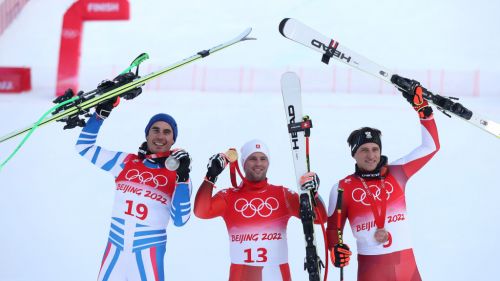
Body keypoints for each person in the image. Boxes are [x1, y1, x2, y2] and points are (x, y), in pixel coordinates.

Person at [74, 76, 192, 281]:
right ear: (147, 134)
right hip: (115, 250)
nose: (160, 136)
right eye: (155, 130)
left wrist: (183, 177)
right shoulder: (125, 162)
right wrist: (99, 116)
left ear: (173, 140)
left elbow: (180, 220)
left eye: (167, 132)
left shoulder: (178, 173)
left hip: (148, 253)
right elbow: (84, 147)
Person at [326, 84, 440, 281]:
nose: (371, 155)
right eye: (364, 150)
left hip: (408, 269)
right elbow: (333, 228)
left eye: (375, 149)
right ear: (354, 154)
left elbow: (431, 147)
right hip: (372, 270)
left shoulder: (397, 172)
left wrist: (424, 112)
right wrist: (335, 249)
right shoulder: (342, 188)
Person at [194, 139, 327, 281]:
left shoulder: (282, 194)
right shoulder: (229, 196)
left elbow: (320, 218)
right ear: (243, 162)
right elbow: (201, 211)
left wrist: (314, 194)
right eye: (253, 159)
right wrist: (211, 176)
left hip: (277, 274)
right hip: (241, 275)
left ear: (268, 163)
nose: (258, 163)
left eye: (263, 159)